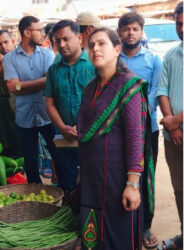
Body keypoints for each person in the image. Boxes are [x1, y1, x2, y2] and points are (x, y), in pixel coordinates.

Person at [77, 27, 154, 249]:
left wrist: (132, 184)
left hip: (117, 178)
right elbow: (85, 135)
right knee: (93, 233)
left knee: (118, 234)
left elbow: (134, 138)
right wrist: (83, 172)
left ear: (117, 49)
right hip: (92, 177)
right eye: (91, 45)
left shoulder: (128, 85)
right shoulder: (91, 88)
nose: (95, 49)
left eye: (102, 44)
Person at [117, 12, 163, 248]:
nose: (130, 33)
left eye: (135, 28)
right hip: (118, 131)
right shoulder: (115, 60)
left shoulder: (153, 60)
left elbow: (155, 92)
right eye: (126, 29)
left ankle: (145, 225)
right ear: (119, 33)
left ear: (141, 31)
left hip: (148, 130)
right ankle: (126, 224)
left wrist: (138, 116)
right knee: (121, 175)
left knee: (145, 177)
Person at [3, 16, 58, 184]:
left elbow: (50, 81)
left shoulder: (48, 54)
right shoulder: (9, 58)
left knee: (57, 155)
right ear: (27, 32)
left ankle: (63, 190)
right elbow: (12, 87)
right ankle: (35, 193)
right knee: (30, 161)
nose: (42, 33)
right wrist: (42, 82)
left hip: (48, 114)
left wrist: (21, 86)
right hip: (24, 117)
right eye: (39, 30)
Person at [44, 20, 96, 192]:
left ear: (79, 38)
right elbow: (50, 102)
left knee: (93, 182)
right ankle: (72, 217)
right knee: (69, 183)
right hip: (65, 136)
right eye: (57, 41)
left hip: (93, 135)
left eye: (66, 39)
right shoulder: (53, 70)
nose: (62, 44)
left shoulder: (94, 65)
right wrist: (61, 127)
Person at [156, 2, 183, 249]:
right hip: (174, 138)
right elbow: (161, 90)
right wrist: (173, 126)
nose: (182, 29)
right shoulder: (171, 55)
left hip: (177, 128)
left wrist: (177, 119)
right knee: (179, 190)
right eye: (178, 24)